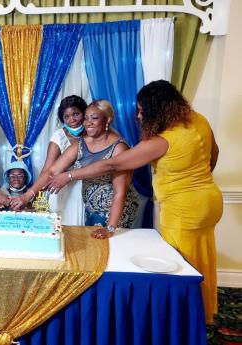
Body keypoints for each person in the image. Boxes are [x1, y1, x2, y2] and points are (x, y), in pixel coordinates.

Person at [48, 80, 223, 323]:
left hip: (184, 208)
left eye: (142, 110)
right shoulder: (198, 120)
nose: (139, 116)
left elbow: (113, 164)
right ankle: (203, 313)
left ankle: (184, 320)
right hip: (210, 199)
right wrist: (197, 182)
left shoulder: (162, 141)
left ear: (158, 109)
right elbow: (214, 154)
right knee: (202, 257)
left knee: (181, 266)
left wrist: (69, 175)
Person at [11, 99, 139, 232]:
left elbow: (120, 193)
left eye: (94, 118)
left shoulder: (119, 148)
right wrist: (27, 195)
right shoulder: (80, 144)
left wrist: (110, 228)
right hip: (90, 209)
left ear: (108, 120)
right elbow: (52, 171)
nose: (88, 123)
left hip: (116, 213)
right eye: (86, 118)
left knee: (111, 249)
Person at [9, 95, 87, 224]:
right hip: (65, 192)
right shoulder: (58, 137)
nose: (72, 119)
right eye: (67, 116)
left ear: (84, 113)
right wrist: (30, 195)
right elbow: (48, 171)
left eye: (76, 114)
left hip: (90, 191)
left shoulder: (93, 132)